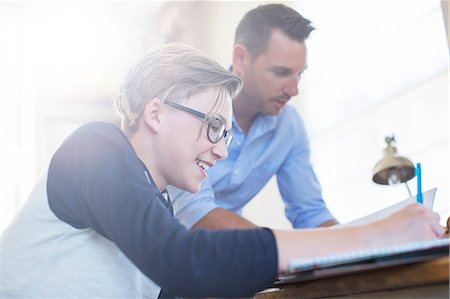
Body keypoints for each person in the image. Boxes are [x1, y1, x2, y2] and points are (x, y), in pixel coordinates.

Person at [0, 43, 445, 299]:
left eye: (227, 135)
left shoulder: (158, 210)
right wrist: (374, 237)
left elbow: (192, 278)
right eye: (213, 126)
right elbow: (185, 260)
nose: (219, 150)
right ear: (155, 112)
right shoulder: (94, 147)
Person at [169, 3, 338, 230]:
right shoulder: (190, 106)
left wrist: (361, 247)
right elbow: (194, 212)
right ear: (241, 59)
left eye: (299, 74)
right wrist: (273, 247)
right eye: (281, 72)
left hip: (222, 255)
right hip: (151, 253)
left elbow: (311, 213)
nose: (293, 90)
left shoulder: (290, 128)